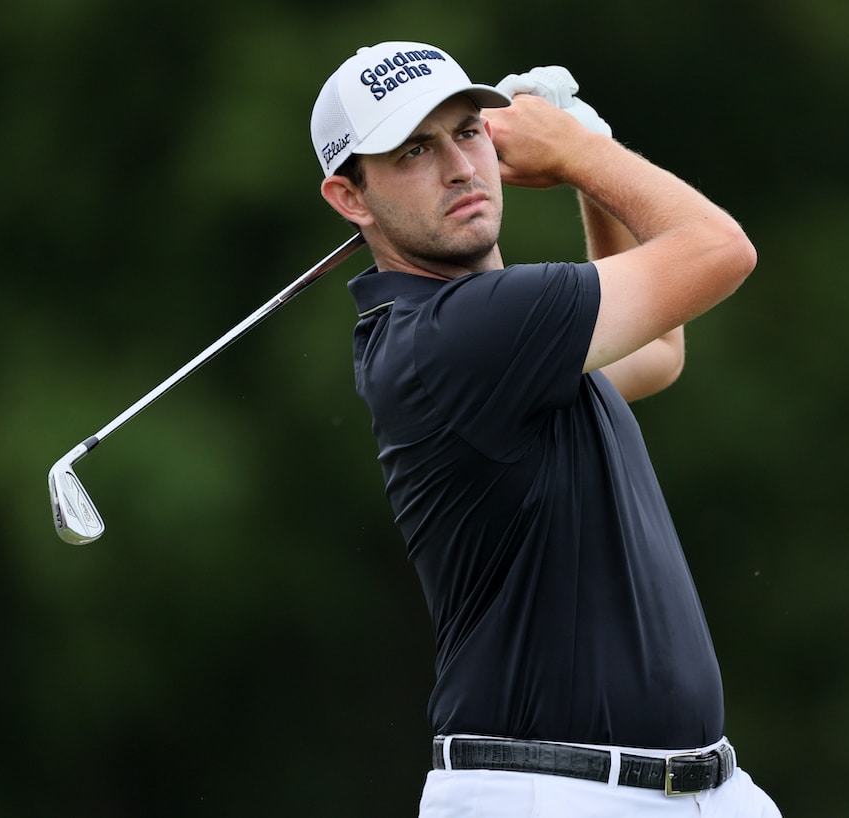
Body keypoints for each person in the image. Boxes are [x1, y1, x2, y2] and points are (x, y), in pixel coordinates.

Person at [310, 41, 781, 817]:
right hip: (554, 792)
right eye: (414, 151)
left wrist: (590, 182)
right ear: (351, 198)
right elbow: (720, 250)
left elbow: (658, 354)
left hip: (693, 788)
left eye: (467, 131)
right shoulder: (461, 334)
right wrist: (584, 155)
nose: (460, 167)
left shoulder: (486, 339)